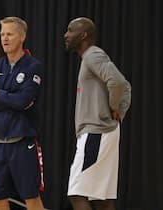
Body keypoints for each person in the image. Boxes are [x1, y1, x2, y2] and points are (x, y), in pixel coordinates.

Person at [64, 17, 131, 210]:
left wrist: (115, 107)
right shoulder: (90, 57)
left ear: (83, 34)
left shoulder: (92, 55)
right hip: (103, 132)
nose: (65, 35)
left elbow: (117, 82)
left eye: (70, 30)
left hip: (96, 132)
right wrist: (119, 108)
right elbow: (125, 85)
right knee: (102, 199)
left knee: (77, 193)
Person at [0, 16, 45, 210]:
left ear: (22, 36)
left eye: (9, 34)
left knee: (31, 198)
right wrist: (10, 98)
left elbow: (23, 101)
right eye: (2, 34)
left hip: (22, 142)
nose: (4, 39)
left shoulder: (33, 66)